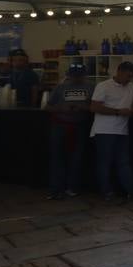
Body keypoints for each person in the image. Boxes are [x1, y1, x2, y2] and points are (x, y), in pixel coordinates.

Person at [90, 61, 133, 203]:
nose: (129, 79)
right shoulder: (103, 86)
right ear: (119, 71)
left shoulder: (130, 86)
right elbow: (94, 107)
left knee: (124, 163)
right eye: (128, 76)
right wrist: (117, 112)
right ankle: (107, 193)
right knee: (105, 163)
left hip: (122, 131)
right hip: (104, 131)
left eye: (131, 77)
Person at [45, 64, 92, 199]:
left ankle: (72, 188)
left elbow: (95, 107)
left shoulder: (91, 88)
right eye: (73, 75)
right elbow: (47, 107)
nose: (76, 78)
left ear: (84, 75)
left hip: (80, 126)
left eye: (79, 75)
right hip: (60, 126)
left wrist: (83, 107)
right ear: (68, 75)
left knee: (76, 159)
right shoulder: (60, 88)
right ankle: (55, 189)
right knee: (57, 158)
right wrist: (62, 108)